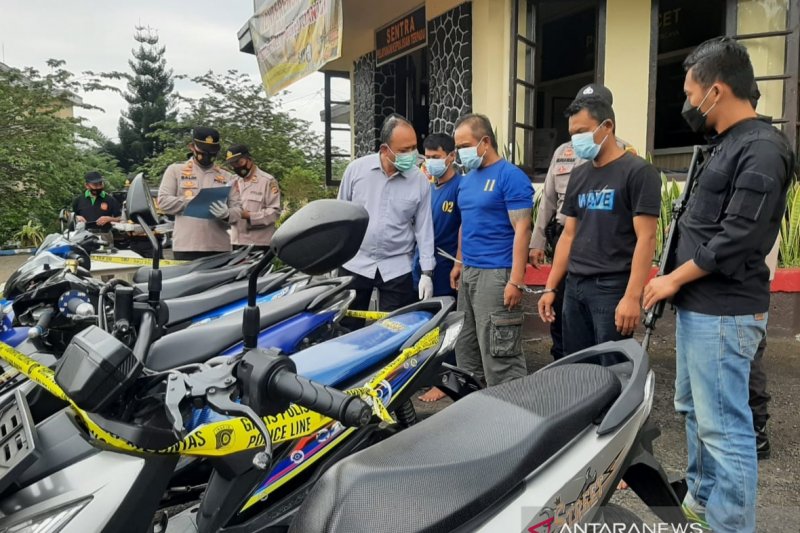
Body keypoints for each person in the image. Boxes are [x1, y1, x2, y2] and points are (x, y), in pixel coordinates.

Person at [642, 37, 793, 533]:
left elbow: (734, 240)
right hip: (699, 307)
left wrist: (670, 281)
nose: (686, 104)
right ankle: (703, 505)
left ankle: (730, 525)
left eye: (690, 93)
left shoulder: (763, 150)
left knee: (726, 429)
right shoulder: (722, 144)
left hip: (725, 313)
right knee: (694, 412)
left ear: (717, 90)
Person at [537, 90, 660, 355]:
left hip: (611, 288)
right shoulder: (579, 175)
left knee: (612, 369)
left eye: (582, 131)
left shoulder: (638, 171)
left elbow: (647, 238)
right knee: (578, 368)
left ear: (607, 126)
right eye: (572, 133)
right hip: (575, 285)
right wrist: (551, 287)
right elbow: (568, 235)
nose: (576, 140)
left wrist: (631, 296)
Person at [450, 113, 532, 387]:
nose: (460, 153)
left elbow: (523, 228)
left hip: (497, 274)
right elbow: (465, 223)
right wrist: (459, 263)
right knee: (467, 349)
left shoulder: (511, 176)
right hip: (470, 272)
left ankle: (515, 418)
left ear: (484, 142)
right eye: (457, 147)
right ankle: (478, 416)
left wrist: (516, 280)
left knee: (500, 355)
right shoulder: (467, 179)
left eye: (464, 146)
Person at [337, 114, 435, 330]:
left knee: (394, 331)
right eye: (404, 150)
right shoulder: (356, 171)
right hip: (356, 262)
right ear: (384, 150)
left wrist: (427, 272)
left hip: (397, 266)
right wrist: (335, 257)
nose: (412, 155)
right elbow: (340, 216)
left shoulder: (419, 180)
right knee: (346, 329)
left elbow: (424, 228)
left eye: (413, 148)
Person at [413, 132, 461, 402]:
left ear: (451, 156)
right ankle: (427, 374)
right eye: (427, 158)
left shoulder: (459, 187)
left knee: (445, 325)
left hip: (445, 265)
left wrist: (458, 263)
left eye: (436, 157)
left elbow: (465, 228)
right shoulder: (426, 187)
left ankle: (445, 380)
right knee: (425, 324)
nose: (431, 162)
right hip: (421, 264)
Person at [157, 127, 242, 261]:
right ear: (192, 147)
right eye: (203, 151)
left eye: (212, 152)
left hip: (219, 247)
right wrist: (192, 202)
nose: (208, 155)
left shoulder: (228, 177)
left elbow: (239, 210)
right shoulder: (175, 171)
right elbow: (163, 202)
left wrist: (227, 214)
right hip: (187, 246)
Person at [224, 144, 282, 251]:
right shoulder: (232, 182)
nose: (236, 167)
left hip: (259, 243)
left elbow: (275, 212)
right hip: (236, 241)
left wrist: (250, 216)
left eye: (239, 162)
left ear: (249, 159)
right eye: (232, 164)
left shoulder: (267, 181)